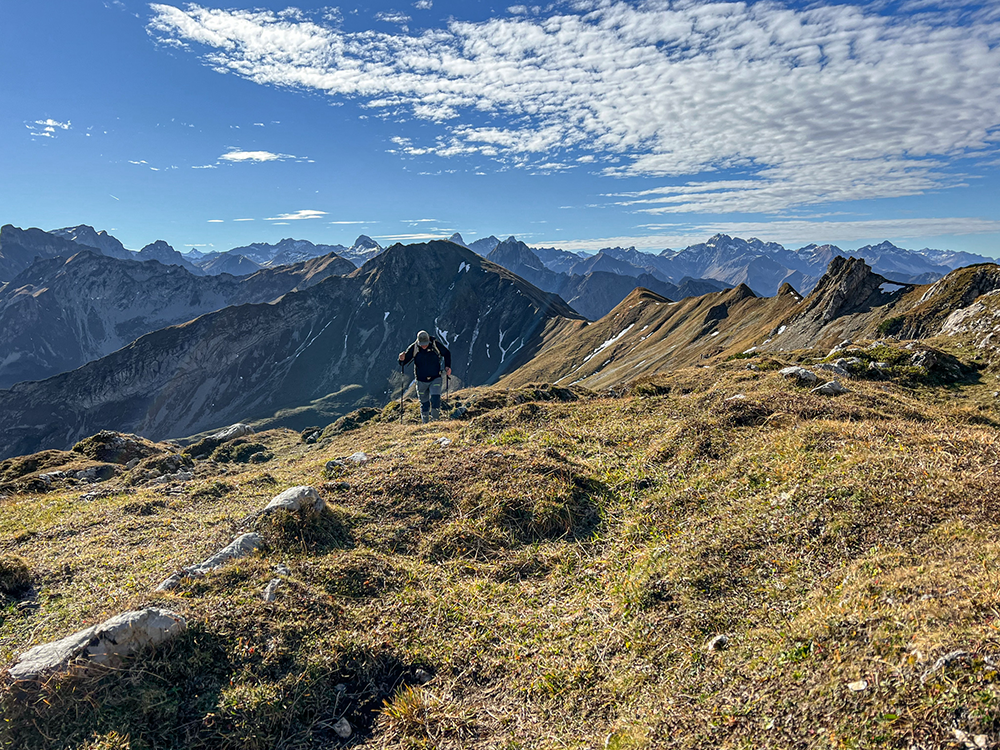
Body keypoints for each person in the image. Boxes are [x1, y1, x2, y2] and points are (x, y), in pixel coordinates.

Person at [399, 330, 452, 423]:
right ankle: (426, 424)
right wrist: (401, 359)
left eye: (426, 343)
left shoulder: (435, 344)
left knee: (435, 399)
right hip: (421, 380)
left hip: (435, 377)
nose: (424, 346)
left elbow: (446, 353)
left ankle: (435, 421)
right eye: (422, 344)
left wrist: (448, 366)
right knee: (424, 403)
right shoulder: (414, 347)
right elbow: (403, 363)